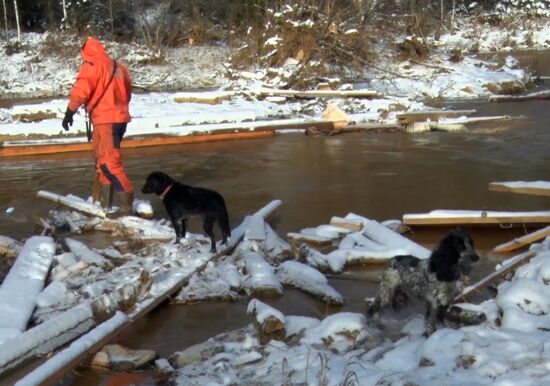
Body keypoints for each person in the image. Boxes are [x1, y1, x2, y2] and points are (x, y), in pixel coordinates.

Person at [62, 36, 134, 216]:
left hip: (106, 120)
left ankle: (125, 210)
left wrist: (69, 112)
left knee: (110, 164)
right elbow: (128, 92)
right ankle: (105, 207)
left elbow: (81, 90)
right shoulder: (119, 67)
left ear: (85, 52)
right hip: (118, 118)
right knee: (103, 163)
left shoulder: (92, 65)